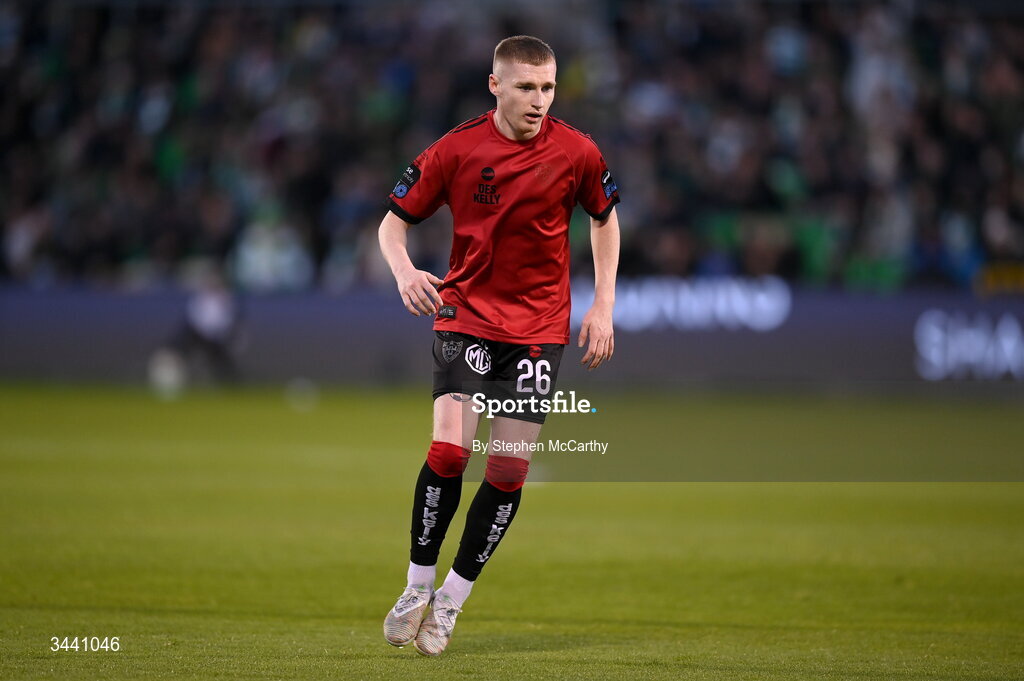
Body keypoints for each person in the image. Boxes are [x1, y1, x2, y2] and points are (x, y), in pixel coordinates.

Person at [377, 35, 620, 657]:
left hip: (539, 327)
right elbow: (393, 223)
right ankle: (416, 585)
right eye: (526, 87)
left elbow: (604, 216)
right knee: (450, 452)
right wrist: (406, 273)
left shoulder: (578, 151)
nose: (540, 100)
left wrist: (603, 304)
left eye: (548, 88)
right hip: (466, 315)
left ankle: (450, 603)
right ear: (496, 86)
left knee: (509, 469)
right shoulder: (457, 149)